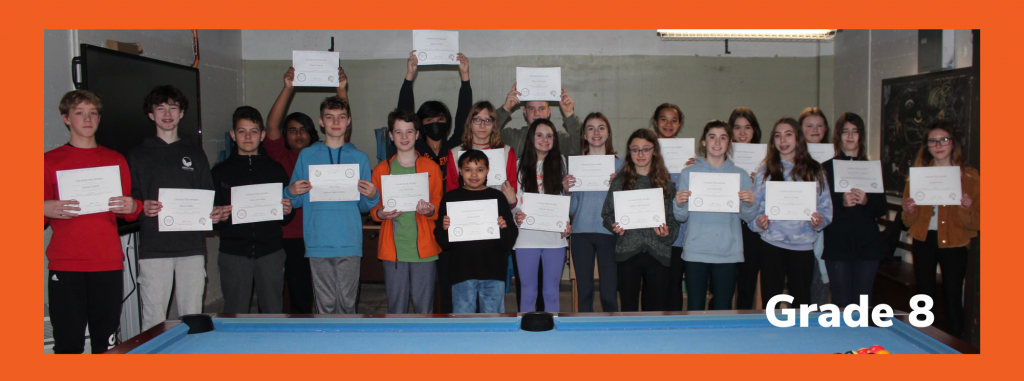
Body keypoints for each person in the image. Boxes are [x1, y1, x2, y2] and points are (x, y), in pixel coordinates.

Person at [44, 90, 141, 353]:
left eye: (93, 113)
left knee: (106, 341)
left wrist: (134, 206)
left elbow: (128, 210)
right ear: (66, 118)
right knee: (67, 343)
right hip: (66, 263)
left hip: (106, 261)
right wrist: (44, 207)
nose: (88, 119)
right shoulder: (49, 161)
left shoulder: (115, 159)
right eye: (79, 113)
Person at [128, 85, 222, 331]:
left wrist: (213, 212)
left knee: (193, 317)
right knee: (154, 319)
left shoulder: (194, 153)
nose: (167, 114)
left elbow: (207, 196)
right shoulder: (137, 155)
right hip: (154, 248)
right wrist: (141, 207)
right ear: (151, 115)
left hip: (191, 247)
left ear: (182, 113)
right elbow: (131, 198)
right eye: (160, 109)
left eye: (173, 108)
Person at [285, 96, 379, 314]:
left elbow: (364, 206)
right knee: (325, 305)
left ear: (349, 122)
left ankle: (347, 348)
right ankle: (325, 348)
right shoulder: (307, 156)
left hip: (349, 242)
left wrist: (374, 195)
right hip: (318, 242)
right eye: (330, 117)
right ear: (321, 121)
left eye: (341, 117)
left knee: (347, 304)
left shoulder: (360, 158)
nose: (336, 122)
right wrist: (290, 191)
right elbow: (296, 199)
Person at [265, 66, 344, 313]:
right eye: (292, 130)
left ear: (313, 132)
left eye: (303, 129)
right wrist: (288, 88)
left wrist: (341, 88)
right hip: (291, 234)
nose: (298, 135)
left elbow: (341, 121)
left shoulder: (324, 153)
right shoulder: (280, 156)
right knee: (300, 291)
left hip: (321, 232)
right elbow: (271, 125)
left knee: (329, 294)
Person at [397, 51, 471, 314]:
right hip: (424, 220)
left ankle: (452, 315)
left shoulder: (453, 147)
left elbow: (464, 116)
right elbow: (404, 112)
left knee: (450, 275)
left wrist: (465, 79)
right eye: (428, 120)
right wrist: (409, 77)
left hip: (451, 221)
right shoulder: (415, 147)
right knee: (426, 278)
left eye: (440, 120)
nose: (435, 124)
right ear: (420, 124)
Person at [211, 106, 294, 314]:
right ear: (233, 135)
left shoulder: (275, 169)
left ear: (262, 135)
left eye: (254, 131)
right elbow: (211, 216)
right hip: (234, 253)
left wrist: (287, 209)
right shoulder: (219, 171)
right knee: (235, 313)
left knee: (273, 311)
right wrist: (217, 216)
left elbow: (286, 216)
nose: (248, 137)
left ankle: (272, 347)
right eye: (241, 131)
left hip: (271, 252)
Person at [901, 120, 979, 339]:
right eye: (932, 141)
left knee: (953, 297)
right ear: (927, 146)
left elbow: (980, 221)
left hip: (955, 243)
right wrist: (909, 209)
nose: (938, 145)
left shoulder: (970, 177)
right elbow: (908, 221)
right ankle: (924, 341)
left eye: (944, 140)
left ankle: (954, 347)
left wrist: (966, 208)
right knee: (924, 297)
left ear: (953, 143)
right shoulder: (918, 174)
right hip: (924, 240)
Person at [672, 120, 757, 310]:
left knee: (723, 307)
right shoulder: (689, 173)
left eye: (723, 138)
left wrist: (750, 204)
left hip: (728, 252)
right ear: (703, 142)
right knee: (694, 306)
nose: (717, 143)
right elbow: (681, 217)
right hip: (696, 250)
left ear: (729, 143)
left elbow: (748, 217)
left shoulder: (740, 175)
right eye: (712, 137)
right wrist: (678, 203)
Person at [749, 117, 833, 308]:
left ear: (798, 138)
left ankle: (798, 337)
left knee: (801, 301)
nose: (783, 141)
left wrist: (818, 221)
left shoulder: (814, 170)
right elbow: (755, 208)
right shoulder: (765, 170)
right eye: (778, 136)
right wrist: (758, 222)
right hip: (771, 243)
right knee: (771, 301)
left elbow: (825, 209)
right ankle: (771, 337)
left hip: (802, 245)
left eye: (788, 135)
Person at [370, 109, 443, 314]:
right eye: (399, 132)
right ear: (391, 136)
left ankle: (424, 346)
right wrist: (381, 214)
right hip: (394, 250)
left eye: (409, 132)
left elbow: (438, 202)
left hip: (425, 250)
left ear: (417, 134)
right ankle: (396, 346)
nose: (404, 137)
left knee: (424, 309)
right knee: (396, 309)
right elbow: (374, 209)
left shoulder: (431, 168)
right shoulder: (381, 170)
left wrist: (430, 211)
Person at [601, 129, 679, 311]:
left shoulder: (666, 185)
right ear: (629, 152)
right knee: (628, 307)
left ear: (654, 151)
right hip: (628, 252)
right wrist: (615, 227)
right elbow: (606, 214)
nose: (640, 154)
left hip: (658, 252)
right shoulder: (619, 182)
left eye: (646, 149)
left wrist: (667, 234)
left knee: (657, 308)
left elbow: (674, 222)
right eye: (635, 149)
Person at [434, 150, 519, 313]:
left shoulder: (498, 197)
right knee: (464, 323)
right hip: (461, 272)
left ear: (487, 171)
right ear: (460, 170)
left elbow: (508, 242)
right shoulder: (450, 198)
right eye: (468, 169)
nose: (474, 174)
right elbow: (443, 243)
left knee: (493, 323)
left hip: (493, 270)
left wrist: (503, 227)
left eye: (479, 169)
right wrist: (445, 229)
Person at [821, 112, 887, 308]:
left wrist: (866, 201)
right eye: (845, 131)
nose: (850, 136)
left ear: (861, 136)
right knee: (841, 302)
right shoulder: (825, 168)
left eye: (855, 131)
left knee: (863, 303)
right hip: (838, 245)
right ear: (838, 136)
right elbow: (820, 206)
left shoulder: (872, 168)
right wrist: (841, 202)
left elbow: (881, 209)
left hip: (867, 245)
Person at [512, 119, 572, 312]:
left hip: (554, 238)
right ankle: (526, 334)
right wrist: (516, 214)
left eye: (549, 136)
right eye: (539, 135)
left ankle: (554, 335)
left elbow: (565, 199)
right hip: (526, 237)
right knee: (528, 292)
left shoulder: (562, 163)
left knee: (551, 292)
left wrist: (567, 223)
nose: (544, 140)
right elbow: (514, 201)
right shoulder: (518, 165)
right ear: (531, 137)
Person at [566, 112, 622, 312]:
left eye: (601, 127)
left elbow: (626, 207)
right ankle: (583, 333)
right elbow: (572, 209)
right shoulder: (575, 164)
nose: (596, 132)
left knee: (609, 292)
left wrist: (621, 186)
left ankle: (613, 334)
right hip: (581, 233)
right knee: (585, 291)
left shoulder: (621, 165)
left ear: (608, 134)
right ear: (584, 135)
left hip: (610, 233)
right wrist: (567, 191)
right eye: (590, 128)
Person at [650, 103, 689, 311]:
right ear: (656, 122)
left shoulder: (688, 158)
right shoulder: (645, 150)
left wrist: (694, 170)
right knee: (654, 284)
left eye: (674, 120)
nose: (668, 124)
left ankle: (674, 325)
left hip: (678, 231)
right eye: (663, 119)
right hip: (652, 229)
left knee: (674, 281)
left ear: (680, 124)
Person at [729, 107, 765, 310]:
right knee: (722, 281)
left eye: (748, 128)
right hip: (726, 225)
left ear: (755, 130)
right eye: (737, 128)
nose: (742, 133)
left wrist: (755, 182)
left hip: (751, 227)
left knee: (747, 281)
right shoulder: (718, 156)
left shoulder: (767, 161)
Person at [798, 107, 832, 305]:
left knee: (821, 277)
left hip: (827, 226)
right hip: (799, 230)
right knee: (804, 278)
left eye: (819, 126)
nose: (815, 130)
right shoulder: (792, 159)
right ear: (801, 130)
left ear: (826, 129)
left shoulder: (835, 159)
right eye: (809, 126)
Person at [497, 82, 581, 156]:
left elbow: (581, 142)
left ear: (548, 112)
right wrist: (505, 109)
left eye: (541, 109)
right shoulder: (512, 136)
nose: (536, 113)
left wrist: (569, 113)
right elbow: (488, 134)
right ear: (525, 112)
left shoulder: (559, 139)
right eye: (531, 109)